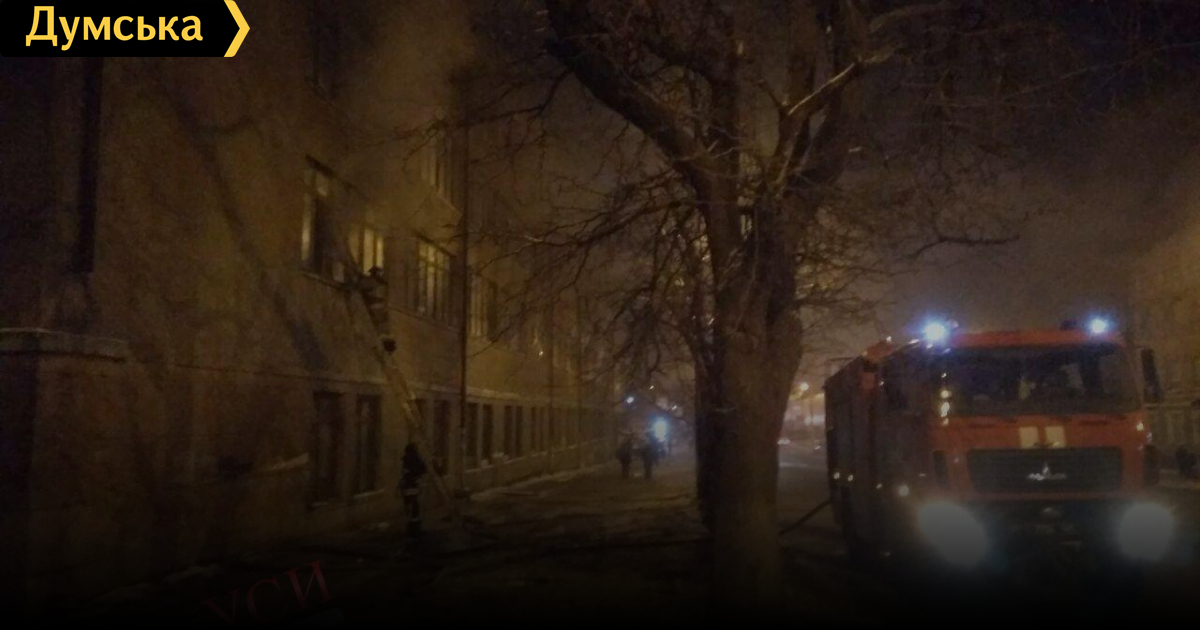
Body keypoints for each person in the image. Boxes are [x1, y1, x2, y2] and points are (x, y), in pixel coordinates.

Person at [358, 266, 396, 354]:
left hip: (374, 307)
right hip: (382, 308)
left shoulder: (371, 282)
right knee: (384, 328)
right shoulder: (384, 284)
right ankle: (388, 346)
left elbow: (360, 286)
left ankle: (384, 345)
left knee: (378, 328)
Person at [397, 443, 428, 537]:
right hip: (414, 484)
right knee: (415, 504)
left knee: (409, 503)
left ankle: (411, 524)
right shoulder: (417, 459)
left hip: (408, 484)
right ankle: (415, 525)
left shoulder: (405, 459)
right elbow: (423, 469)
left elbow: (404, 471)